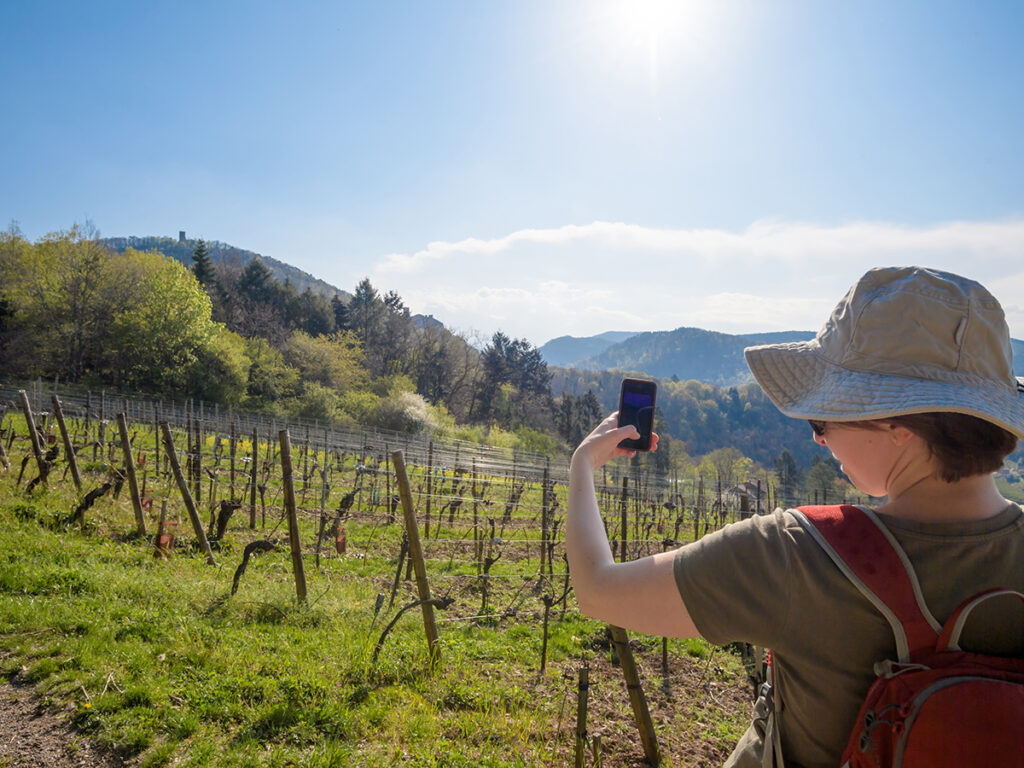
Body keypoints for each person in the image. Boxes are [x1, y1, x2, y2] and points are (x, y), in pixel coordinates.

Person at [567, 266, 1024, 768]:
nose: (818, 437)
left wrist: (582, 465)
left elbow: (596, 590)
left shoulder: (792, 554)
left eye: (822, 415)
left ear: (899, 427)